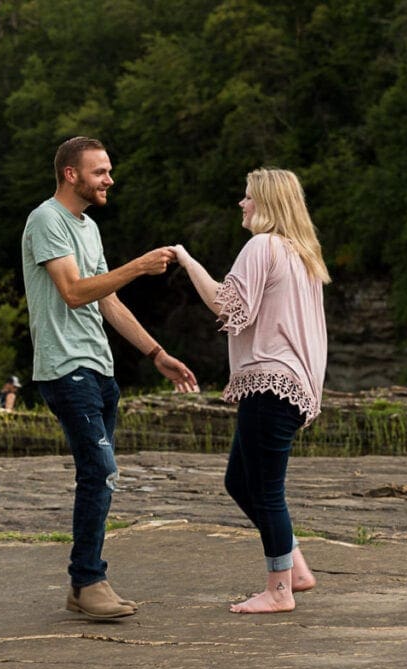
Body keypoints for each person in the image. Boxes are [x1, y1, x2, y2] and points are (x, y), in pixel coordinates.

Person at [22, 136, 199, 620]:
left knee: (103, 476)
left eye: (109, 171)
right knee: (98, 472)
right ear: (71, 174)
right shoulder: (46, 220)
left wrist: (155, 352)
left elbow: (108, 301)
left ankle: (85, 586)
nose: (109, 180)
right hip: (66, 367)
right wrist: (140, 266)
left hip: (99, 368)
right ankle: (87, 580)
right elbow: (75, 293)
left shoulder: (89, 228)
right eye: (100, 172)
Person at [172, 168, 329, 614]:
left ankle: (279, 590)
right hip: (288, 383)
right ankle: (294, 567)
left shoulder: (263, 245)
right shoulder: (303, 254)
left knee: (265, 489)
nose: (242, 204)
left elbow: (227, 304)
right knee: (239, 481)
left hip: (271, 382)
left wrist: (187, 260)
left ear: (267, 203)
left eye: (247, 198)